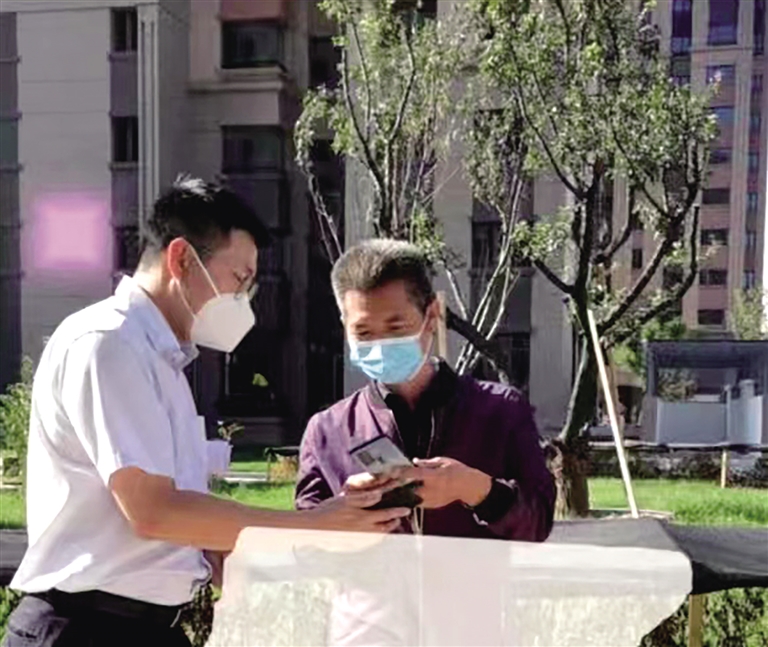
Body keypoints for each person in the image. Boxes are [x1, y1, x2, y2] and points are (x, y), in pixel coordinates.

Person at [3, 178, 408, 647]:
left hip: (142, 626)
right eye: (239, 280)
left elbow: (175, 524)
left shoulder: (163, 361)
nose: (244, 301)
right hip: (88, 627)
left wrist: (244, 552)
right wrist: (317, 525)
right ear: (181, 259)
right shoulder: (109, 343)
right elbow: (154, 511)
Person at [296, 239, 555, 541]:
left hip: (470, 574)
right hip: (373, 574)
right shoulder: (328, 431)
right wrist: (343, 517)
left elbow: (538, 524)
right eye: (363, 332)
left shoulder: (500, 410)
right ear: (345, 326)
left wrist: (472, 488)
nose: (380, 345)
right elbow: (306, 542)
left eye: (396, 327)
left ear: (432, 316)